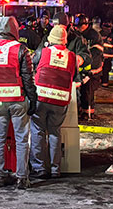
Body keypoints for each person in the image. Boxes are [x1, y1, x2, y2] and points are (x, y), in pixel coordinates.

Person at [0, 16, 36, 189]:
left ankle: (0, 176)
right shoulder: (20, 49)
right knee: (21, 139)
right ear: (14, 30)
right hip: (17, 99)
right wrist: (33, 98)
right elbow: (27, 77)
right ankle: (22, 178)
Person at [30, 24, 78, 178]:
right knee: (54, 132)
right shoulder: (71, 56)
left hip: (41, 98)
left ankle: (39, 168)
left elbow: (33, 66)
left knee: (38, 130)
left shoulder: (43, 52)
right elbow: (74, 75)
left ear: (50, 40)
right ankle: (55, 169)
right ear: (64, 41)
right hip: (60, 101)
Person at [101, 20, 113, 85]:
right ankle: (104, 82)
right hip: (108, 56)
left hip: (101, 55)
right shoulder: (112, 36)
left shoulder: (99, 34)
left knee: (103, 69)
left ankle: (102, 81)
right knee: (106, 69)